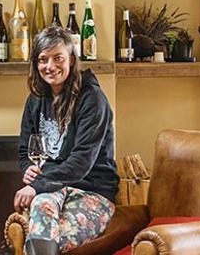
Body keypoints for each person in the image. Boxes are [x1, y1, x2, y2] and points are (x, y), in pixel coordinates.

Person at [13, 26, 120, 255]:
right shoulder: (35, 100)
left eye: (58, 58)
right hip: (52, 189)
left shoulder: (92, 100)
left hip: (93, 191)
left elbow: (81, 162)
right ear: (35, 64)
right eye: (43, 59)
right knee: (42, 208)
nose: (50, 66)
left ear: (71, 59)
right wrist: (29, 169)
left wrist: (35, 186)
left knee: (47, 235)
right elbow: (25, 152)